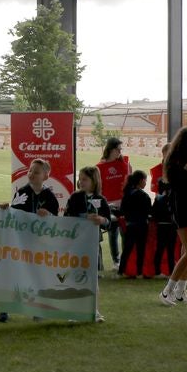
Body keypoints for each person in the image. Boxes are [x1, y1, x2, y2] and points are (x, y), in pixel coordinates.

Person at [0, 158, 59, 322]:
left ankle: (37, 308)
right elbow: (13, 214)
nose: (31, 174)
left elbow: (56, 221)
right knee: (13, 274)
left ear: (46, 176)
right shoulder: (21, 192)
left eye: (36, 172)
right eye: (30, 170)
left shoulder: (50, 196)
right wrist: (6, 209)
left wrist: (48, 216)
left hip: (39, 243)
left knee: (36, 276)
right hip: (19, 242)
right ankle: (5, 309)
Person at [158, 127, 187, 306]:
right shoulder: (175, 161)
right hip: (182, 208)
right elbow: (177, 184)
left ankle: (180, 292)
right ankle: (166, 291)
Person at [64, 165, 110, 323]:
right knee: (75, 278)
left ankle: (94, 311)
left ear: (94, 180)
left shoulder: (101, 200)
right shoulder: (75, 197)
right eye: (80, 179)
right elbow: (66, 218)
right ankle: (74, 312)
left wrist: (101, 220)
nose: (81, 182)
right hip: (76, 244)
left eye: (85, 179)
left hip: (93, 246)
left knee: (93, 279)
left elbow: (109, 222)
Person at [98, 137, 130, 271]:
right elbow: (99, 188)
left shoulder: (124, 164)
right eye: (118, 149)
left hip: (123, 204)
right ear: (111, 149)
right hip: (108, 204)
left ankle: (125, 260)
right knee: (112, 232)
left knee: (125, 232)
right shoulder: (99, 167)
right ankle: (116, 261)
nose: (120, 152)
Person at [150, 145, 177, 279]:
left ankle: (171, 271)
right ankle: (158, 271)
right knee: (161, 247)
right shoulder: (159, 175)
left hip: (171, 219)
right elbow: (157, 196)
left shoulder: (177, 171)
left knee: (170, 248)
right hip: (164, 219)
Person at [119, 170, 151, 280]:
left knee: (127, 249)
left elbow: (122, 210)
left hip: (130, 225)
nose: (145, 183)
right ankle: (139, 272)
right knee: (140, 249)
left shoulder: (127, 193)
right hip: (142, 225)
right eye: (145, 180)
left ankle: (121, 270)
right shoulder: (144, 196)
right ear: (141, 180)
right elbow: (149, 212)